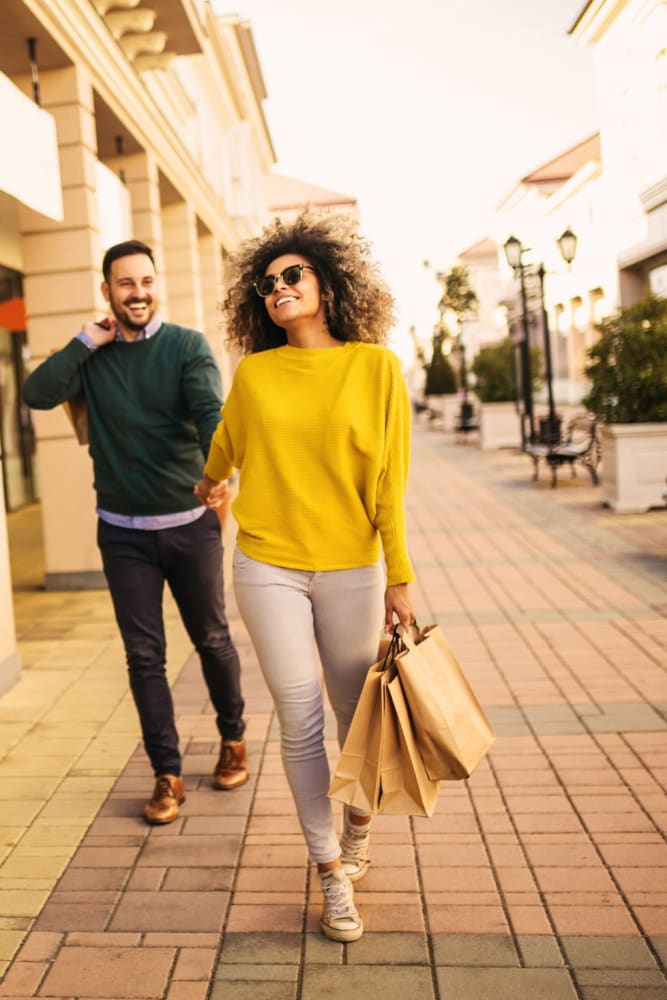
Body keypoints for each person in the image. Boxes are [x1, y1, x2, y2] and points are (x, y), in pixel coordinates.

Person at [195, 213, 416, 943]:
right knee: (299, 718)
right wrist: (210, 481)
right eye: (266, 284)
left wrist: (400, 577)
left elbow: (390, 485)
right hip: (266, 564)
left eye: (292, 276)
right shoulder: (254, 373)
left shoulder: (375, 368)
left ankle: (357, 826)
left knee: (357, 719)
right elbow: (228, 441)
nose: (278, 289)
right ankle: (328, 872)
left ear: (328, 283)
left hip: (353, 565)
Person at [23, 239, 247, 826]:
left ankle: (233, 736)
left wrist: (217, 472)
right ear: (107, 291)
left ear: (156, 283)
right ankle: (166, 774)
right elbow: (36, 394)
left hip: (189, 526)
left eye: (146, 281)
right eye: (125, 284)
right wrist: (83, 341)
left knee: (213, 640)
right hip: (122, 533)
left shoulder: (185, 346)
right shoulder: (91, 356)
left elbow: (208, 413)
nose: (138, 293)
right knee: (144, 656)